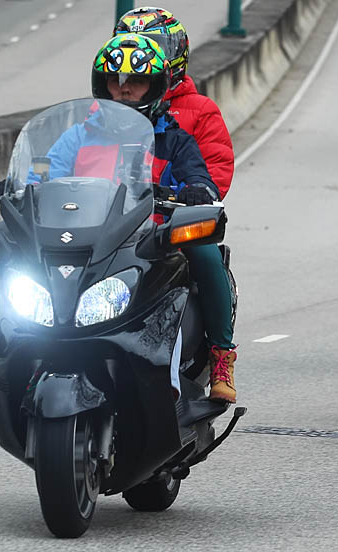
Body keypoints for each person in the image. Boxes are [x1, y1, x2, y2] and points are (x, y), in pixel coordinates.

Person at [91, 33, 239, 403]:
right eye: (116, 81)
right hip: (99, 233)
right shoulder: (85, 132)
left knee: (205, 255)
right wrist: (25, 187)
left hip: (159, 231)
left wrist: (191, 195)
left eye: (136, 82)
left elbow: (207, 177)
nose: (124, 90)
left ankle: (221, 356)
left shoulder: (179, 133)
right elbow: (47, 173)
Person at [114, 7, 235, 200]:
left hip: (169, 218)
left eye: (153, 48)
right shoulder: (103, 112)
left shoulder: (200, 110)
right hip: (111, 216)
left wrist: (199, 191)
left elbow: (216, 165)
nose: (142, 57)